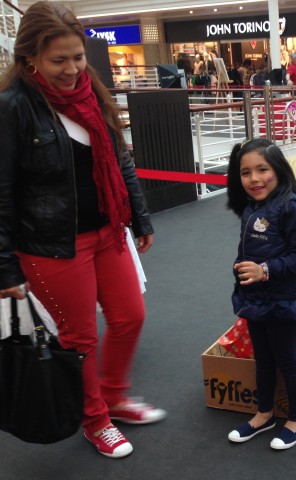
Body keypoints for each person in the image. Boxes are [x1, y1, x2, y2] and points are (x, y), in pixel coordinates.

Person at [0, 1, 165, 459]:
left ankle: (113, 397)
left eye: (77, 57)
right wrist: (5, 266)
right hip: (52, 246)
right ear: (30, 57)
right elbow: (2, 193)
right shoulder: (12, 108)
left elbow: (119, 157)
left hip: (108, 231)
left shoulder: (91, 91)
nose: (73, 69)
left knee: (130, 316)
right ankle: (95, 419)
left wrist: (139, 216)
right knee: (80, 338)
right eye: (59, 60)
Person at [225, 139, 296, 450]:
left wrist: (264, 270)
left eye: (262, 169)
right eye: (245, 172)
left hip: (284, 301)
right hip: (257, 300)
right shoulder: (253, 206)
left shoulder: (292, 207)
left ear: (278, 169)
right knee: (263, 360)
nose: (254, 179)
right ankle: (264, 414)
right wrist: (243, 270)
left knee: (286, 360)